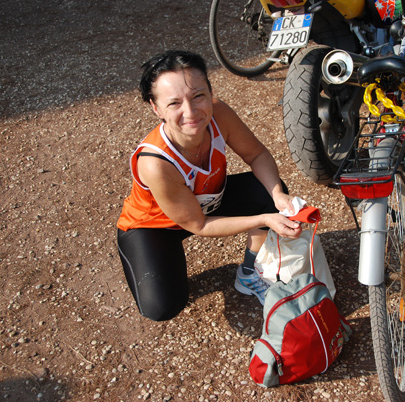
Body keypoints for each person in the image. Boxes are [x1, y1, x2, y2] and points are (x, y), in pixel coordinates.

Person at [116, 50, 302, 321]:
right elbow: (198, 225)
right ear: (155, 108)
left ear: (210, 91)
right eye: (174, 103)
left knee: (267, 191)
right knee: (162, 306)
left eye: (198, 96)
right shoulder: (155, 163)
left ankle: (249, 273)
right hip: (155, 226)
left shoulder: (219, 114)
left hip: (208, 200)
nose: (190, 112)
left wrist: (277, 195)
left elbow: (257, 155)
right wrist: (263, 219)